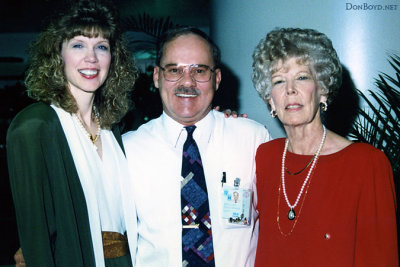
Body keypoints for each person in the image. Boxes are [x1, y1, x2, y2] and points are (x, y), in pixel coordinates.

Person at [122, 27, 270, 266]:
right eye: (174, 70)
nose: (187, 82)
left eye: (199, 70)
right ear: (157, 76)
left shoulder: (253, 139)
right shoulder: (128, 151)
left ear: (217, 79)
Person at [7, 1, 138, 266]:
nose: (91, 58)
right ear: (58, 54)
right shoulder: (36, 126)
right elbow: (35, 236)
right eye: (78, 45)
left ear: (113, 59)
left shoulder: (113, 128)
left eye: (101, 47)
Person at [252, 27, 398, 266]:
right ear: (270, 99)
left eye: (302, 77)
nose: (290, 90)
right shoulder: (264, 156)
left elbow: (381, 258)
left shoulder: (366, 163)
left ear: (323, 89)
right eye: (279, 81)